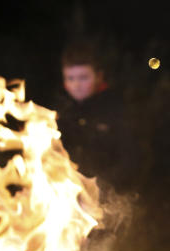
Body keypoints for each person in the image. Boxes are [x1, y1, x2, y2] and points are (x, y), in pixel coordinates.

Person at [55, 41, 140, 194]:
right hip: (69, 195)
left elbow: (130, 160)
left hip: (111, 198)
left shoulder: (116, 109)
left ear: (99, 77)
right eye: (70, 78)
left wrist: (100, 186)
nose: (76, 85)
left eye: (83, 78)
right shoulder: (61, 112)